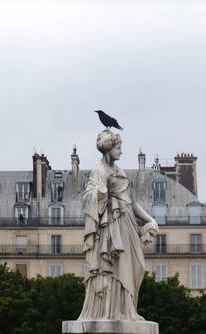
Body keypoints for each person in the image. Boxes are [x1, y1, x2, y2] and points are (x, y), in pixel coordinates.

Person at [78, 130, 158, 321]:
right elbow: (88, 196)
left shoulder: (119, 171)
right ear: (108, 149)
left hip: (128, 224)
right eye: (118, 147)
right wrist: (100, 192)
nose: (121, 152)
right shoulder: (99, 170)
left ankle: (127, 310)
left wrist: (150, 220)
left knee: (136, 267)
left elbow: (132, 202)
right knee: (113, 267)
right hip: (111, 226)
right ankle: (110, 311)